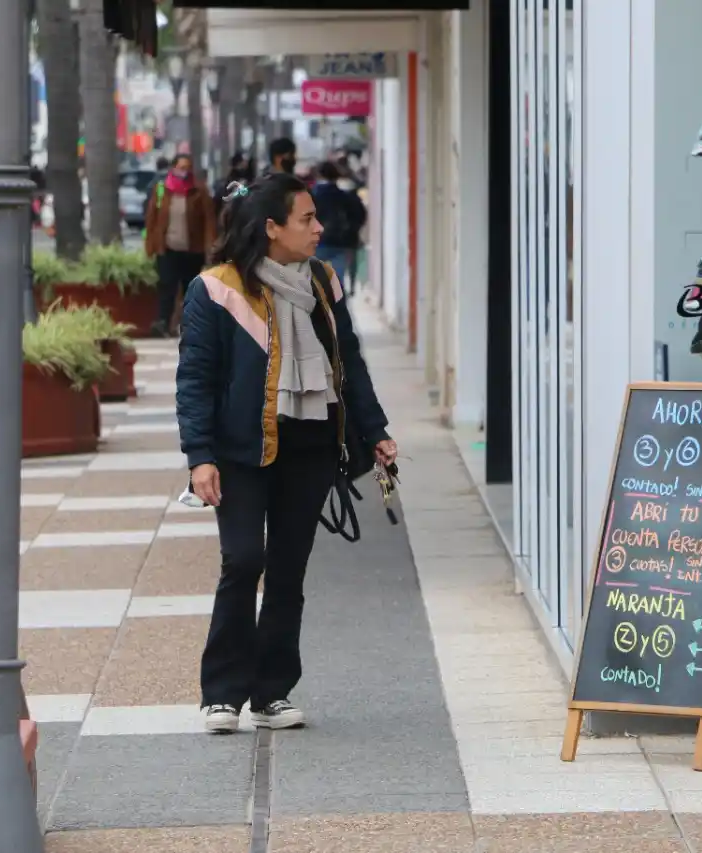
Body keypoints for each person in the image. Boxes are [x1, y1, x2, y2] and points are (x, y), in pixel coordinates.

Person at [176, 173, 397, 733]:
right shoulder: (217, 289)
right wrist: (200, 456)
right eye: (306, 219)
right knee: (243, 560)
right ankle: (221, 693)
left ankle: (272, 692)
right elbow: (196, 380)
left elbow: (348, 360)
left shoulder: (323, 281)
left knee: (288, 572)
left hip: (311, 447)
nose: (319, 228)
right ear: (271, 228)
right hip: (241, 452)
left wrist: (375, 430)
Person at [144, 153, 216, 337]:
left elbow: (209, 221)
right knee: (166, 285)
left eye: (187, 168)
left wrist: (210, 246)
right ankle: (163, 322)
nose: (184, 171)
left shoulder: (199, 191)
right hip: (167, 248)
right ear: (173, 168)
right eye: (181, 167)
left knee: (189, 288)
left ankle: (188, 325)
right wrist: (150, 245)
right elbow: (152, 218)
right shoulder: (161, 190)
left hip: (192, 250)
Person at [310, 161, 367, 292]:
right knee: (338, 284)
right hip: (340, 244)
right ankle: (338, 309)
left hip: (316, 244)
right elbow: (359, 215)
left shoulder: (311, 196)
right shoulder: (345, 196)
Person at [214, 151, 252, 221]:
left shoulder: (230, 179)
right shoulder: (239, 180)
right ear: (239, 163)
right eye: (244, 162)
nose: (246, 164)